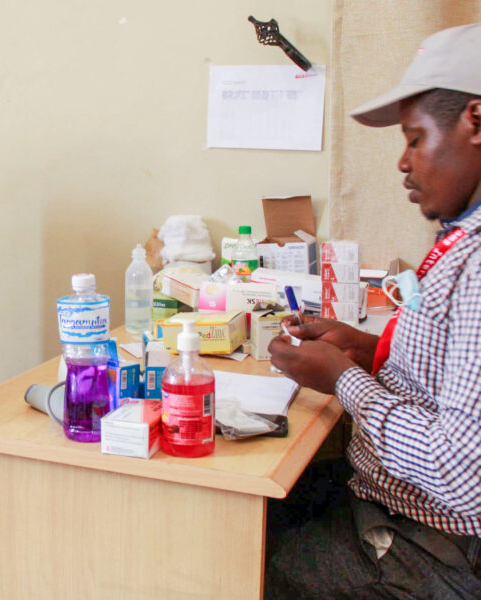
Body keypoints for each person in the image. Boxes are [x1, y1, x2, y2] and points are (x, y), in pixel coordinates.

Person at [265, 23, 481, 599]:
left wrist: (345, 379)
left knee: (238, 555)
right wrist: (364, 349)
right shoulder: (464, 240)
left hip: (434, 546)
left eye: (414, 139)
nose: (403, 163)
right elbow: (449, 374)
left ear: (475, 121)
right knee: (277, 495)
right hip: (401, 508)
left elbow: (461, 473)